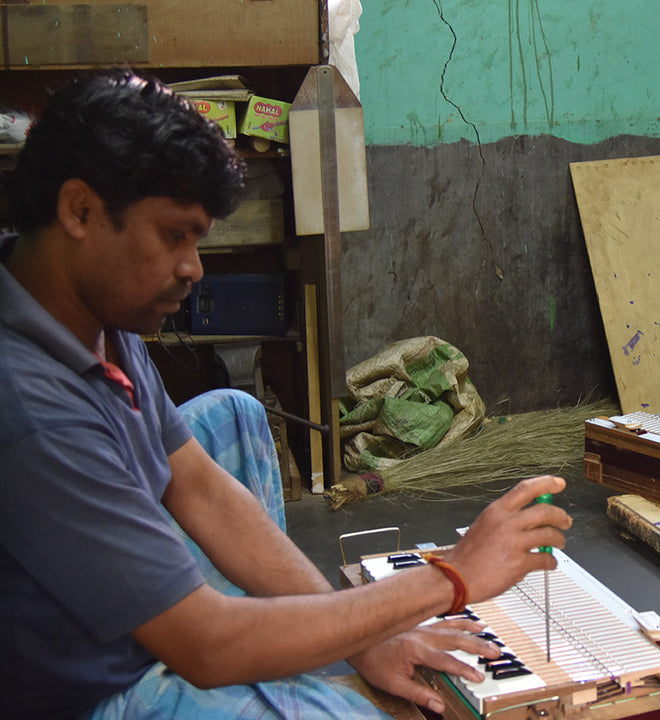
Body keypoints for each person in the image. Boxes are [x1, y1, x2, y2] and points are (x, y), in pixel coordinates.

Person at [0, 69, 572, 719]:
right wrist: (450, 577)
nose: (193, 269)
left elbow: (197, 485)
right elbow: (206, 648)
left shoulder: (81, 303)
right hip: (80, 692)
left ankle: (269, 638)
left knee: (236, 417)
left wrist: (370, 638)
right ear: (80, 210)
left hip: (126, 605)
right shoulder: (30, 411)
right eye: (173, 236)